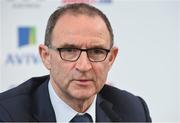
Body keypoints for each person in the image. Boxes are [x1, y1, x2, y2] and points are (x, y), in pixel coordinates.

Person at [0, 3, 151, 122]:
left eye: (96, 51)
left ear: (111, 58)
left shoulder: (134, 111)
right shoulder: (6, 113)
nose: (84, 66)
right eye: (69, 50)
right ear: (46, 56)